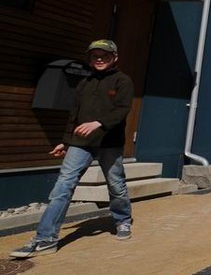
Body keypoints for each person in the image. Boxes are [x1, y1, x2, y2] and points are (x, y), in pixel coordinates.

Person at [11, 40, 135, 258]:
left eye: (103, 55)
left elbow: (122, 110)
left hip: (109, 142)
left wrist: (99, 123)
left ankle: (123, 220)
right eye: (94, 56)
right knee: (63, 186)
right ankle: (46, 238)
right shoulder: (84, 83)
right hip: (80, 143)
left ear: (114, 57)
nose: (98, 59)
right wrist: (66, 141)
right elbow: (73, 115)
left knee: (116, 184)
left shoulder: (122, 81)